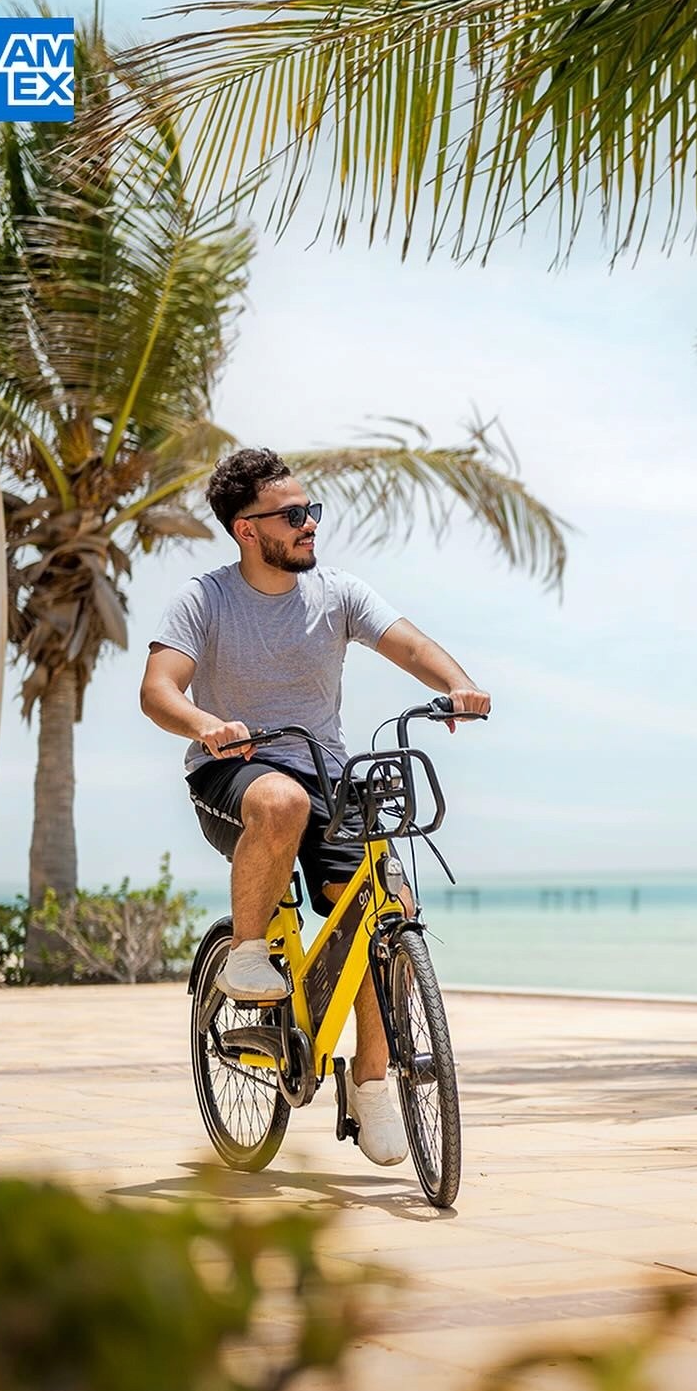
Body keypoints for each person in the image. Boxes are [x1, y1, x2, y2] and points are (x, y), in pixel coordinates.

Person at [140, 447, 490, 1165]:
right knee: (282, 799)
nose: (310, 525)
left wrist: (458, 682)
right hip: (233, 775)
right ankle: (245, 953)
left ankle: (369, 1085)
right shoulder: (204, 599)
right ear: (247, 528)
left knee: (379, 904)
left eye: (312, 511)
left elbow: (410, 642)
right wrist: (204, 723)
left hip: (327, 778)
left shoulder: (338, 592)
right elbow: (158, 688)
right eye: (293, 515)